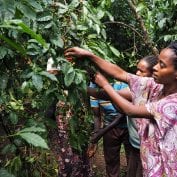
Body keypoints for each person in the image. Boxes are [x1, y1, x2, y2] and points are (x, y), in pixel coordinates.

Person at [64, 42, 177, 177]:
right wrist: (89, 56)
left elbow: (130, 110)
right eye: (157, 62)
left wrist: (105, 84)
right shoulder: (157, 86)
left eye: (162, 65)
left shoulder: (172, 104)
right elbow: (121, 74)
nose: (155, 68)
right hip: (150, 161)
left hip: (166, 168)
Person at [87, 55, 158, 177]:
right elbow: (117, 107)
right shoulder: (136, 88)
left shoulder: (148, 91)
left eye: (142, 71)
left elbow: (123, 107)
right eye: (137, 69)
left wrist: (102, 86)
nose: (137, 73)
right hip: (136, 143)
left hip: (147, 147)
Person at [88, 79, 131, 177]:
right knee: (111, 160)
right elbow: (96, 115)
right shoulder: (93, 87)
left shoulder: (120, 84)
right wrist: (95, 139)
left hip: (128, 126)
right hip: (109, 128)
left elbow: (122, 114)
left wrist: (100, 134)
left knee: (132, 159)